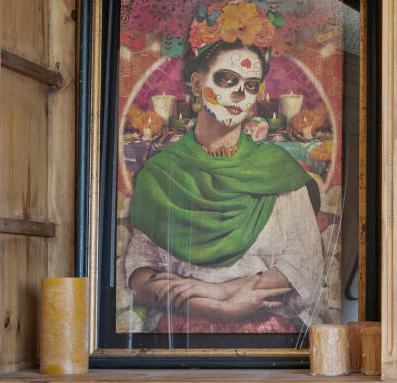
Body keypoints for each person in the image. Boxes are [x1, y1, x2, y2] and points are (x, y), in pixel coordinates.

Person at [120, 39, 333, 332]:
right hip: (180, 339)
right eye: (227, 79)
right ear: (196, 83)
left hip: (268, 341)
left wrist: (218, 290)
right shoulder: (161, 173)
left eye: (250, 85)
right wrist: (223, 306)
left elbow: (302, 267)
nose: (238, 93)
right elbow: (141, 278)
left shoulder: (277, 169)